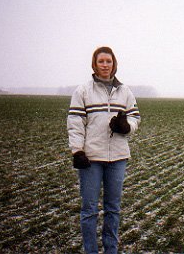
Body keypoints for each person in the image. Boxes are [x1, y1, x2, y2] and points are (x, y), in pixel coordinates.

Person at [67, 46, 141, 254]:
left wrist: (127, 126)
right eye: (101, 61)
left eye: (109, 61)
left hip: (118, 157)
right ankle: (91, 251)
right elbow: (75, 123)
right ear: (95, 64)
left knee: (113, 209)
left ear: (114, 64)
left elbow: (135, 118)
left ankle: (111, 250)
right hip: (91, 158)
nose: (105, 65)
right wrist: (77, 151)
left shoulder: (125, 92)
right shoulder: (83, 91)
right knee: (89, 210)